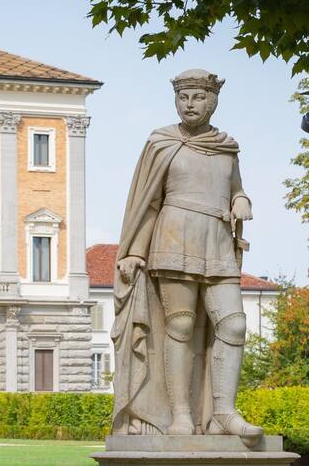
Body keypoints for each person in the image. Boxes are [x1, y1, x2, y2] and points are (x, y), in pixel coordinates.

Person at [110, 69, 262, 443]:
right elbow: (148, 203)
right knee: (179, 326)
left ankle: (224, 412)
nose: (190, 104)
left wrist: (241, 200)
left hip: (217, 241)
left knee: (234, 325)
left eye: (197, 97)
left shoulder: (227, 147)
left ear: (213, 100)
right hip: (173, 236)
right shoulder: (162, 143)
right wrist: (133, 252)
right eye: (183, 97)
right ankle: (180, 414)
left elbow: (236, 188)